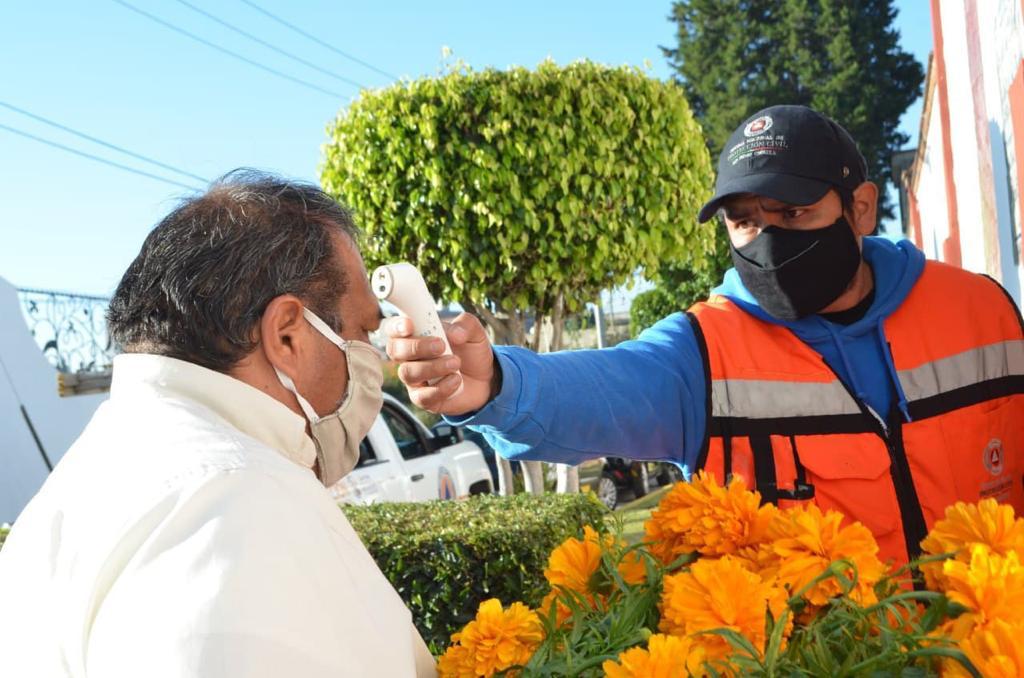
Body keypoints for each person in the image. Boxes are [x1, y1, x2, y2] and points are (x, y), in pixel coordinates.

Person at [386, 105, 1024, 568]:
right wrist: (494, 383)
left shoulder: (983, 311)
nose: (767, 241)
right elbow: (597, 389)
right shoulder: (704, 352)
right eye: (744, 222)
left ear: (860, 207)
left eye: (793, 213)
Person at [0, 171, 436, 677]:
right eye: (364, 332)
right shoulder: (238, 507)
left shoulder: (82, 483)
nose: (373, 360)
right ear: (288, 336)